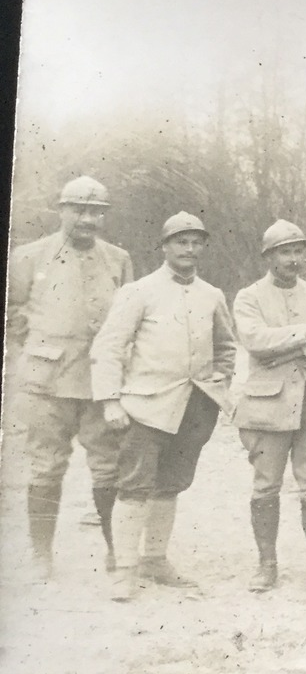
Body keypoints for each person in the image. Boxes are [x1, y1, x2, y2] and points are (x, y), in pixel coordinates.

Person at [90, 212, 237, 602]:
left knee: (170, 485)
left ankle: (155, 560)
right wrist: (109, 400)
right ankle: (125, 570)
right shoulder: (139, 291)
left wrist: (221, 380)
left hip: (194, 407)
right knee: (134, 487)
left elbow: (226, 347)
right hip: (146, 407)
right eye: (181, 242)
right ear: (165, 246)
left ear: (203, 247)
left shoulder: (211, 295)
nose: (189, 249)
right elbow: (108, 346)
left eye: (196, 242)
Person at [5, 176, 134, 578]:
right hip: (47, 384)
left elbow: (127, 315)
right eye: (79, 209)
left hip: (99, 382)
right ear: (61, 210)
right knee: (46, 467)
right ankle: (41, 555)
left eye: (96, 212)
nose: (87, 219)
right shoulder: (29, 256)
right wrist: (37, 343)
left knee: (109, 466)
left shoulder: (117, 259)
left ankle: (118, 553)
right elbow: (12, 310)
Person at [233, 220, 306, 599]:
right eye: (285, 252)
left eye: (299, 251)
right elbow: (255, 341)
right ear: (269, 257)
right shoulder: (249, 297)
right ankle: (266, 565)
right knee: (266, 484)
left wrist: (293, 347)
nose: (294, 259)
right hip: (267, 406)